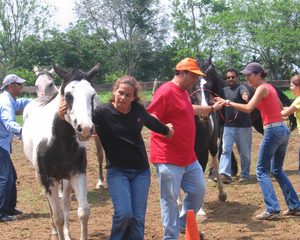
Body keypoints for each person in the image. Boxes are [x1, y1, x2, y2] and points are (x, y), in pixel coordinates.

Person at [147, 57, 224, 239]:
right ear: (182, 73)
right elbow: (150, 116)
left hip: (188, 157)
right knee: (170, 199)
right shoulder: (165, 91)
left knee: (198, 190)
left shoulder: (183, 91)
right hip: (167, 157)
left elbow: (191, 109)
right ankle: (170, 236)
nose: (196, 81)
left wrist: (212, 109)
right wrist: (165, 129)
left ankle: (182, 223)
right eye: (193, 76)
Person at [92, 76, 174, 240]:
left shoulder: (137, 110)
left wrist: (167, 130)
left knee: (137, 218)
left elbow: (152, 122)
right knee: (124, 214)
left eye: (128, 95)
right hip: (117, 171)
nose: (123, 97)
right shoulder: (101, 113)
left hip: (141, 172)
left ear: (133, 98)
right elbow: (81, 124)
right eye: (120, 92)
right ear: (114, 91)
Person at [216, 62, 300, 220]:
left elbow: (248, 109)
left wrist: (227, 102)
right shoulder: (270, 88)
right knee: (277, 170)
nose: (246, 77)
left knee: (261, 171)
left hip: (273, 130)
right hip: (282, 130)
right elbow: (280, 106)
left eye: (249, 74)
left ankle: (273, 209)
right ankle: (295, 206)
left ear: (258, 74)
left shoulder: (261, 88)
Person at [0, 74, 31, 222]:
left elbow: (19, 104)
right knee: (6, 178)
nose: (21, 87)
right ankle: (2, 213)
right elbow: (8, 122)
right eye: (19, 84)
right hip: (0, 145)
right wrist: (23, 131)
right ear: (11, 86)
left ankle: (9, 207)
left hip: (3, 143)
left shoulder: (9, 99)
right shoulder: (5, 102)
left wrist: (38, 100)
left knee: (11, 176)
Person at [218, 68, 252, 184]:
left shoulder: (241, 87)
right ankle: (225, 174)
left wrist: (245, 96)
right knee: (225, 150)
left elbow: (245, 93)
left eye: (233, 77)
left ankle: (245, 174)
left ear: (237, 77)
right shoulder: (224, 90)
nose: (231, 79)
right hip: (228, 126)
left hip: (243, 126)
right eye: (228, 77)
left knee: (244, 152)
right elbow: (219, 103)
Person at [281, 74, 300, 176]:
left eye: (292, 86)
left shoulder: (298, 100)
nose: (290, 88)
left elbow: (285, 113)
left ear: (298, 87)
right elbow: (287, 110)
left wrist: (270, 112)